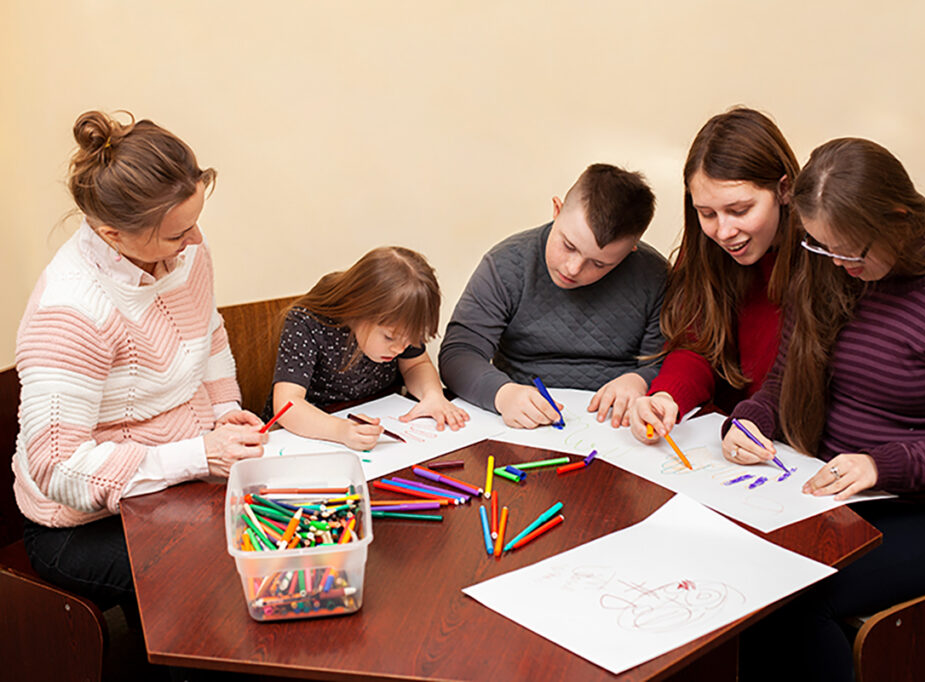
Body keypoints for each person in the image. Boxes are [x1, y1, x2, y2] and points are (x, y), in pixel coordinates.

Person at [721, 138, 925, 681]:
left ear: (898, 218)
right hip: (830, 487)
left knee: (796, 599)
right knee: (735, 570)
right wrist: (750, 421)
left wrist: (879, 464)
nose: (838, 264)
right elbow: (786, 377)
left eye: (851, 251)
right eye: (821, 246)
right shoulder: (829, 266)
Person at [14, 110, 267, 615]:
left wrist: (224, 413)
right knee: (207, 581)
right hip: (80, 524)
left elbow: (209, 332)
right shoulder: (71, 311)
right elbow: (58, 468)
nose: (194, 242)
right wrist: (200, 456)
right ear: (113, 235)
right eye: (177, 235)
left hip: (175, 482)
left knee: (271, 542)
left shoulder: (186, 248)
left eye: (195, 224)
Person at [439, 163, 667, 429]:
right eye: (568, 246)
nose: (573, 269)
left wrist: (640, 380)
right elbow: (459, 353)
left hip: (618, 425)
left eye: (599, 264)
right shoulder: (506, 264)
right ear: (556, 211)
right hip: (521, 421)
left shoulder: (655, 276)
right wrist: (502, 394)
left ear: (630, 251)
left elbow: (669, 362)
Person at [628, 107, 800, 444]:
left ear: (784, 190)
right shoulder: (706, 254)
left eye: (740, 210)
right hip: (724, 440)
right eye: (706, 213)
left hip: (791, 447)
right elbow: (697, 346)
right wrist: (667, 397)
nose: (723, 231)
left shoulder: (826, 261)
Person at [266, 247, 468, 451]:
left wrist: (432, 395)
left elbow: (416, 364)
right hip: (310, 438)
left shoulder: (400, 320)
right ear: (357, 308)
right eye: (389, 337)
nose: (399, 348)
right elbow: (287, 405)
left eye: (410, 340)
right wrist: (340, 431)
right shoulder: (307, 322)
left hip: (378, 421)